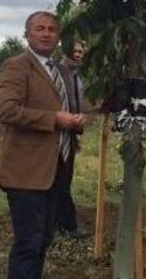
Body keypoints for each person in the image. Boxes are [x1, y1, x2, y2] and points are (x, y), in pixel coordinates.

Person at [0, 11, 87, 279]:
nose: (46, 33)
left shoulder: (60, 71)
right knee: (29, 243)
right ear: (27, 34)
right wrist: (54, 119)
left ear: (58, 37)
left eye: (52, 29)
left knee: (44, 238)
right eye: (40, 28)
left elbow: (65, 109)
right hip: (26, 172)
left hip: (56, 169)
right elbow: (7, 111)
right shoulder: (16, 66)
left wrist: (75, 121)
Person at [55, 39, 90, 239]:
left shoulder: (77, 79)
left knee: (65, 178)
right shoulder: (56, 74)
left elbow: (76, 104)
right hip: (56, 134)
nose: (78, 54)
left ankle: (60, 223)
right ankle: (67, 225)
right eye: (74, 51)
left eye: (81, 52)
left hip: (71, 134)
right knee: (59, 180)